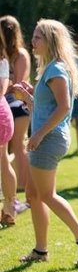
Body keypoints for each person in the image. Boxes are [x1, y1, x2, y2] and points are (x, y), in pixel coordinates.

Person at [14, 19, 78, 265]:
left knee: (46, 195)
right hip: (47, 138)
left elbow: (64, 108)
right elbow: (47, 107)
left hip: (48, 140)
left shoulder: (56, 69)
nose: (33, 41)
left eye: (38, 37)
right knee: (33, 194)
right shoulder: (50, 68)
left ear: (50, 40)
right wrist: (29, 96)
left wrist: (37, 135)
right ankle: (41, 250)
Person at [0, 15, 32, 194]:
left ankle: (23, 186)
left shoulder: (21, 54)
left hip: (18, 105)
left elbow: (19, 84)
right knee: (10, 149)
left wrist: (6, 82)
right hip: (5, 104)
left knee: (19, 146)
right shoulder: (4, 55)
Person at [0, 28, 17, 228]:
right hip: (3, 113)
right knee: (4, 162)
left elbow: (2, 89)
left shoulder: (2, 61)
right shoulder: (3, 60)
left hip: (1, 114)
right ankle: (9, 208)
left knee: (4, 162)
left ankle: (10, 207)